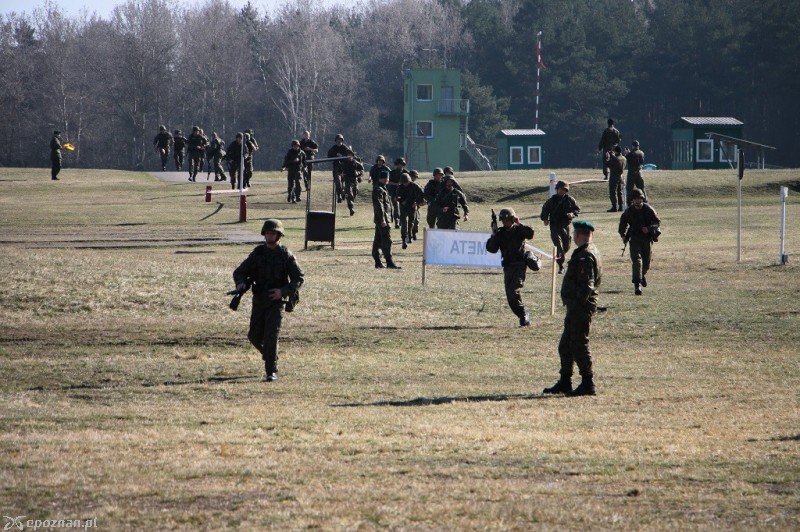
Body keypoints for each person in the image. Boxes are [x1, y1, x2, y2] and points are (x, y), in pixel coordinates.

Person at [232, 218, 304, 382]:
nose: (270, 236)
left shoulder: (285, 254)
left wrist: (283, 291)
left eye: (273, 233)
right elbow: (239, 272)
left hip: (276, 302)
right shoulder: (257, 253)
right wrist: (241, 284)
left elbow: (298, 278)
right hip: (259, 300)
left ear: (279, 235)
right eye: (268, 233)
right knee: (253, 336)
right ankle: (270, 355)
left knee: (272, 335)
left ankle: (271, 370)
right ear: (264, 234)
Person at [543, 220, 602, 396]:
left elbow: (587, 285)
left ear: (577, 235)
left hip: (580, 308)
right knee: (566, 345)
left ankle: (587, 382)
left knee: (579, 345)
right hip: (577, 307)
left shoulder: (585, 255)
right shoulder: (589, 251)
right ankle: (565, 381)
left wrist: (576, 304)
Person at [486, 207, 539, 327]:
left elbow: (530, 234)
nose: (505, 223)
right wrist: (494, 235)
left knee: (513, 290)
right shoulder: (500, 233)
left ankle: (523, 315)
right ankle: (522, 314)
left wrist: (519, 223)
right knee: (510, 296)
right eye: (503, 220)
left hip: (519, 265)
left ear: (512, 219)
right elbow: (491, 249)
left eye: (507, 220)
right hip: (508, 266)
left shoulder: (519, 230)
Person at [618, 188, 661, 296]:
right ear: (632, 200)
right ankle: (637, 285)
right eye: (635, 199)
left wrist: (649, 228)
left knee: (646, 264)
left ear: (642, 199)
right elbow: (622, 225)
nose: (637, 201)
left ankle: (641, 275)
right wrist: (623, 236)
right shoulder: (628, 212)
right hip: (634, 238)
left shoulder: (648, 209)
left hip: (646, 239)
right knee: (637, 260)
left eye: (639, 199)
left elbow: (657, 222)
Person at [539, 180, 581, 273]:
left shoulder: (570, 200)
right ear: (557, 189)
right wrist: (545, 219)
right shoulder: (551, 201)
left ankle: (559, 257)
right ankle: (561, 266)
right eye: (560, 189)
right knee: (559, 246)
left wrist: (572, 214)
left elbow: (577, 210)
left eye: (564, 189)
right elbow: (545, 210)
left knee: (566, 246)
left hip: (565, 226)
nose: (561, 191)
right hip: (555, 226)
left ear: (566, 190)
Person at [372, 169, 400, 269]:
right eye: (385, 178)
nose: (387, 180)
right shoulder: (379, 189)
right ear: (381, 179)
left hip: (384, 219)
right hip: (383, 220)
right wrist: (383, 219)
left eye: (387, 178)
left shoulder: (383, 189)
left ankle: (377, 261)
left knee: (378, 240)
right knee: (387, 240)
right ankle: (389, 262)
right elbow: (379, 206)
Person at [396, 173, 424, 248]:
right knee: (404, 223)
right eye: (404, 183)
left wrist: (416, 203)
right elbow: (397, 196)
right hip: (403, 207)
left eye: (406, 182)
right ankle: (404, 239)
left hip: (412, 206)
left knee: (411, 223)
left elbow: (422, 195)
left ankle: (410, 235)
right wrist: (399, 199)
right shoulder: (400, 187)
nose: (405, 184)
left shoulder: (415, 186)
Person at [341, 147, 364, 216]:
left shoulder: (356, 163)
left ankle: (345, 194)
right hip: (347, 179)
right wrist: (341, 174)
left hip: (354, 180)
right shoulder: (343, 163)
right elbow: (338, 170)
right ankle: (351, 208)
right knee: (349, 193)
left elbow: (362, 170)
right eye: (348, 154)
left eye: (350, 154)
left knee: (355, 191)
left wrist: (358, 173)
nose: (349, 156)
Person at [327, 133, 350, 202]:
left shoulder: (345, 148)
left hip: (344, 167)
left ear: (342, 140)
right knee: (337, 181)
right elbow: (329, 156)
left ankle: (344, 193)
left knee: (346, 182)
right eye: (337, 140)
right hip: (336, 166)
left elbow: (349, 157)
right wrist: (336, 155)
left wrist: (342, 156)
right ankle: (339, 195)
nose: (338, 141)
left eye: (340, 140)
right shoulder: (333, 148)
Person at [388, 158, 408, 228]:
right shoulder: (392, 173)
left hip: (404, 193)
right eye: (398, 164)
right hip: (394, 192)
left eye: (401, 164)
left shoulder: (406, 173)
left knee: (403, 207)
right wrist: (396, 184)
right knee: (396, 207)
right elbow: (388, 182)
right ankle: (397, 221)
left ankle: (402, 221)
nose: (400, 166)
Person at [607, 145, 626, 212]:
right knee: (619, 192)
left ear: (616, 151)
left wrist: (609, 157)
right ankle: (621, 206)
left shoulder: (615, 159)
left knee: (613, 192)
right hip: (621, 176)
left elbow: (608, 164)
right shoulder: (624, 158)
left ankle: (614, 206)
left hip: (614, 177)